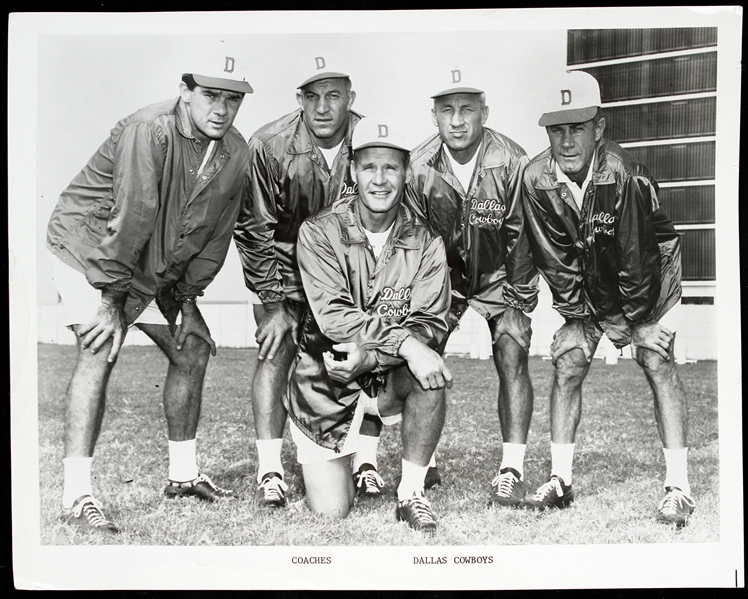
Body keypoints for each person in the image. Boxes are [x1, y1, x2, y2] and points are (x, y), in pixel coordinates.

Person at [46, 44, 253, 533]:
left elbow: (213, 232)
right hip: (89, 248)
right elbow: (133, 214)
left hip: (148, 263)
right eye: (209, 95)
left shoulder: (236, 150)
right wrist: (113, 301)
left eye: (233, 98)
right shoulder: (150, 128)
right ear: (184, 91)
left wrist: (188, 300)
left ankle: (182, 477)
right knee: (101, 347)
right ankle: (76, 495)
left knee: (192, 349)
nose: (221, 109)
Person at [520, 70, 695, 526]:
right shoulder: (535, 177)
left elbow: (637, 260)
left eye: (577, 127)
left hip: (650, 275)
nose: (567, 140)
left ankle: (679, 486)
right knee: (569, 359)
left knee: (655, 358)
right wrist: (577, 318)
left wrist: (640, 324)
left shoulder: (626, 175)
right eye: (558, 129)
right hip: (588, 278)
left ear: (599, 127)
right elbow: (554, 256)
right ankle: (561, 480)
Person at [286, 118, 453, 534]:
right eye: (368, 167)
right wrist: (404, 343)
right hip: (327, 380)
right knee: (331, 512)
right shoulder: (318, 232)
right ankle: (349, 458)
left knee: (429, 371)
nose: (379, 179)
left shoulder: (427, 240)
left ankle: (411, 493)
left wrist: (378, 354)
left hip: (386, 378)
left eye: (391, 167)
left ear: (406, 173)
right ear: (352, 171)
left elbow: (430, 325)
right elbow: (335, 316)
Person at [233, 57, 366, 508]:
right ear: (299, 100)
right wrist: (273, 304)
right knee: (276, 354)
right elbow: (254, 230)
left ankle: (364, 461)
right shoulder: (268, 144)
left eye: (333, 96)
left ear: (351, 97)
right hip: (283, 273)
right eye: (312, 96)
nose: (323, 107)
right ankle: (270, 469)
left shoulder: (370, 140)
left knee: (355, 362)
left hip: (346, 279)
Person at [405, 68, 539, 505]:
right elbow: (415, 240)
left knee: (512, 349)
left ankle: (512, 468)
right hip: (442, 277)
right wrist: (420, 302)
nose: (458, 120)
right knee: (421, 356)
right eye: (447, 111)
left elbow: (524, 234)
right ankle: (425, 463)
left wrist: (519, 300)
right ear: (434, 116)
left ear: (485, 112)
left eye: (467, 109)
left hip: (498, 273)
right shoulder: (418, 166)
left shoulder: (512, 160)